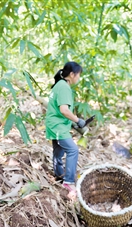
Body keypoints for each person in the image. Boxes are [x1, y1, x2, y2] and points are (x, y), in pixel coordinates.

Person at [45, 62, 86, 199]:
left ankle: (59, 174)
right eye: (79, 75)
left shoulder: (60, 85)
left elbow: (59, 110)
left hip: (55, 124)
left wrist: (72, 123)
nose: (79, 78)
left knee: (58, 150)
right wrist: (77, 120)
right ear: (72, 74)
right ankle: (68, 182)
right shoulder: (64, 87)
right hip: (57, 126)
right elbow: (64, 110)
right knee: (73, 150)